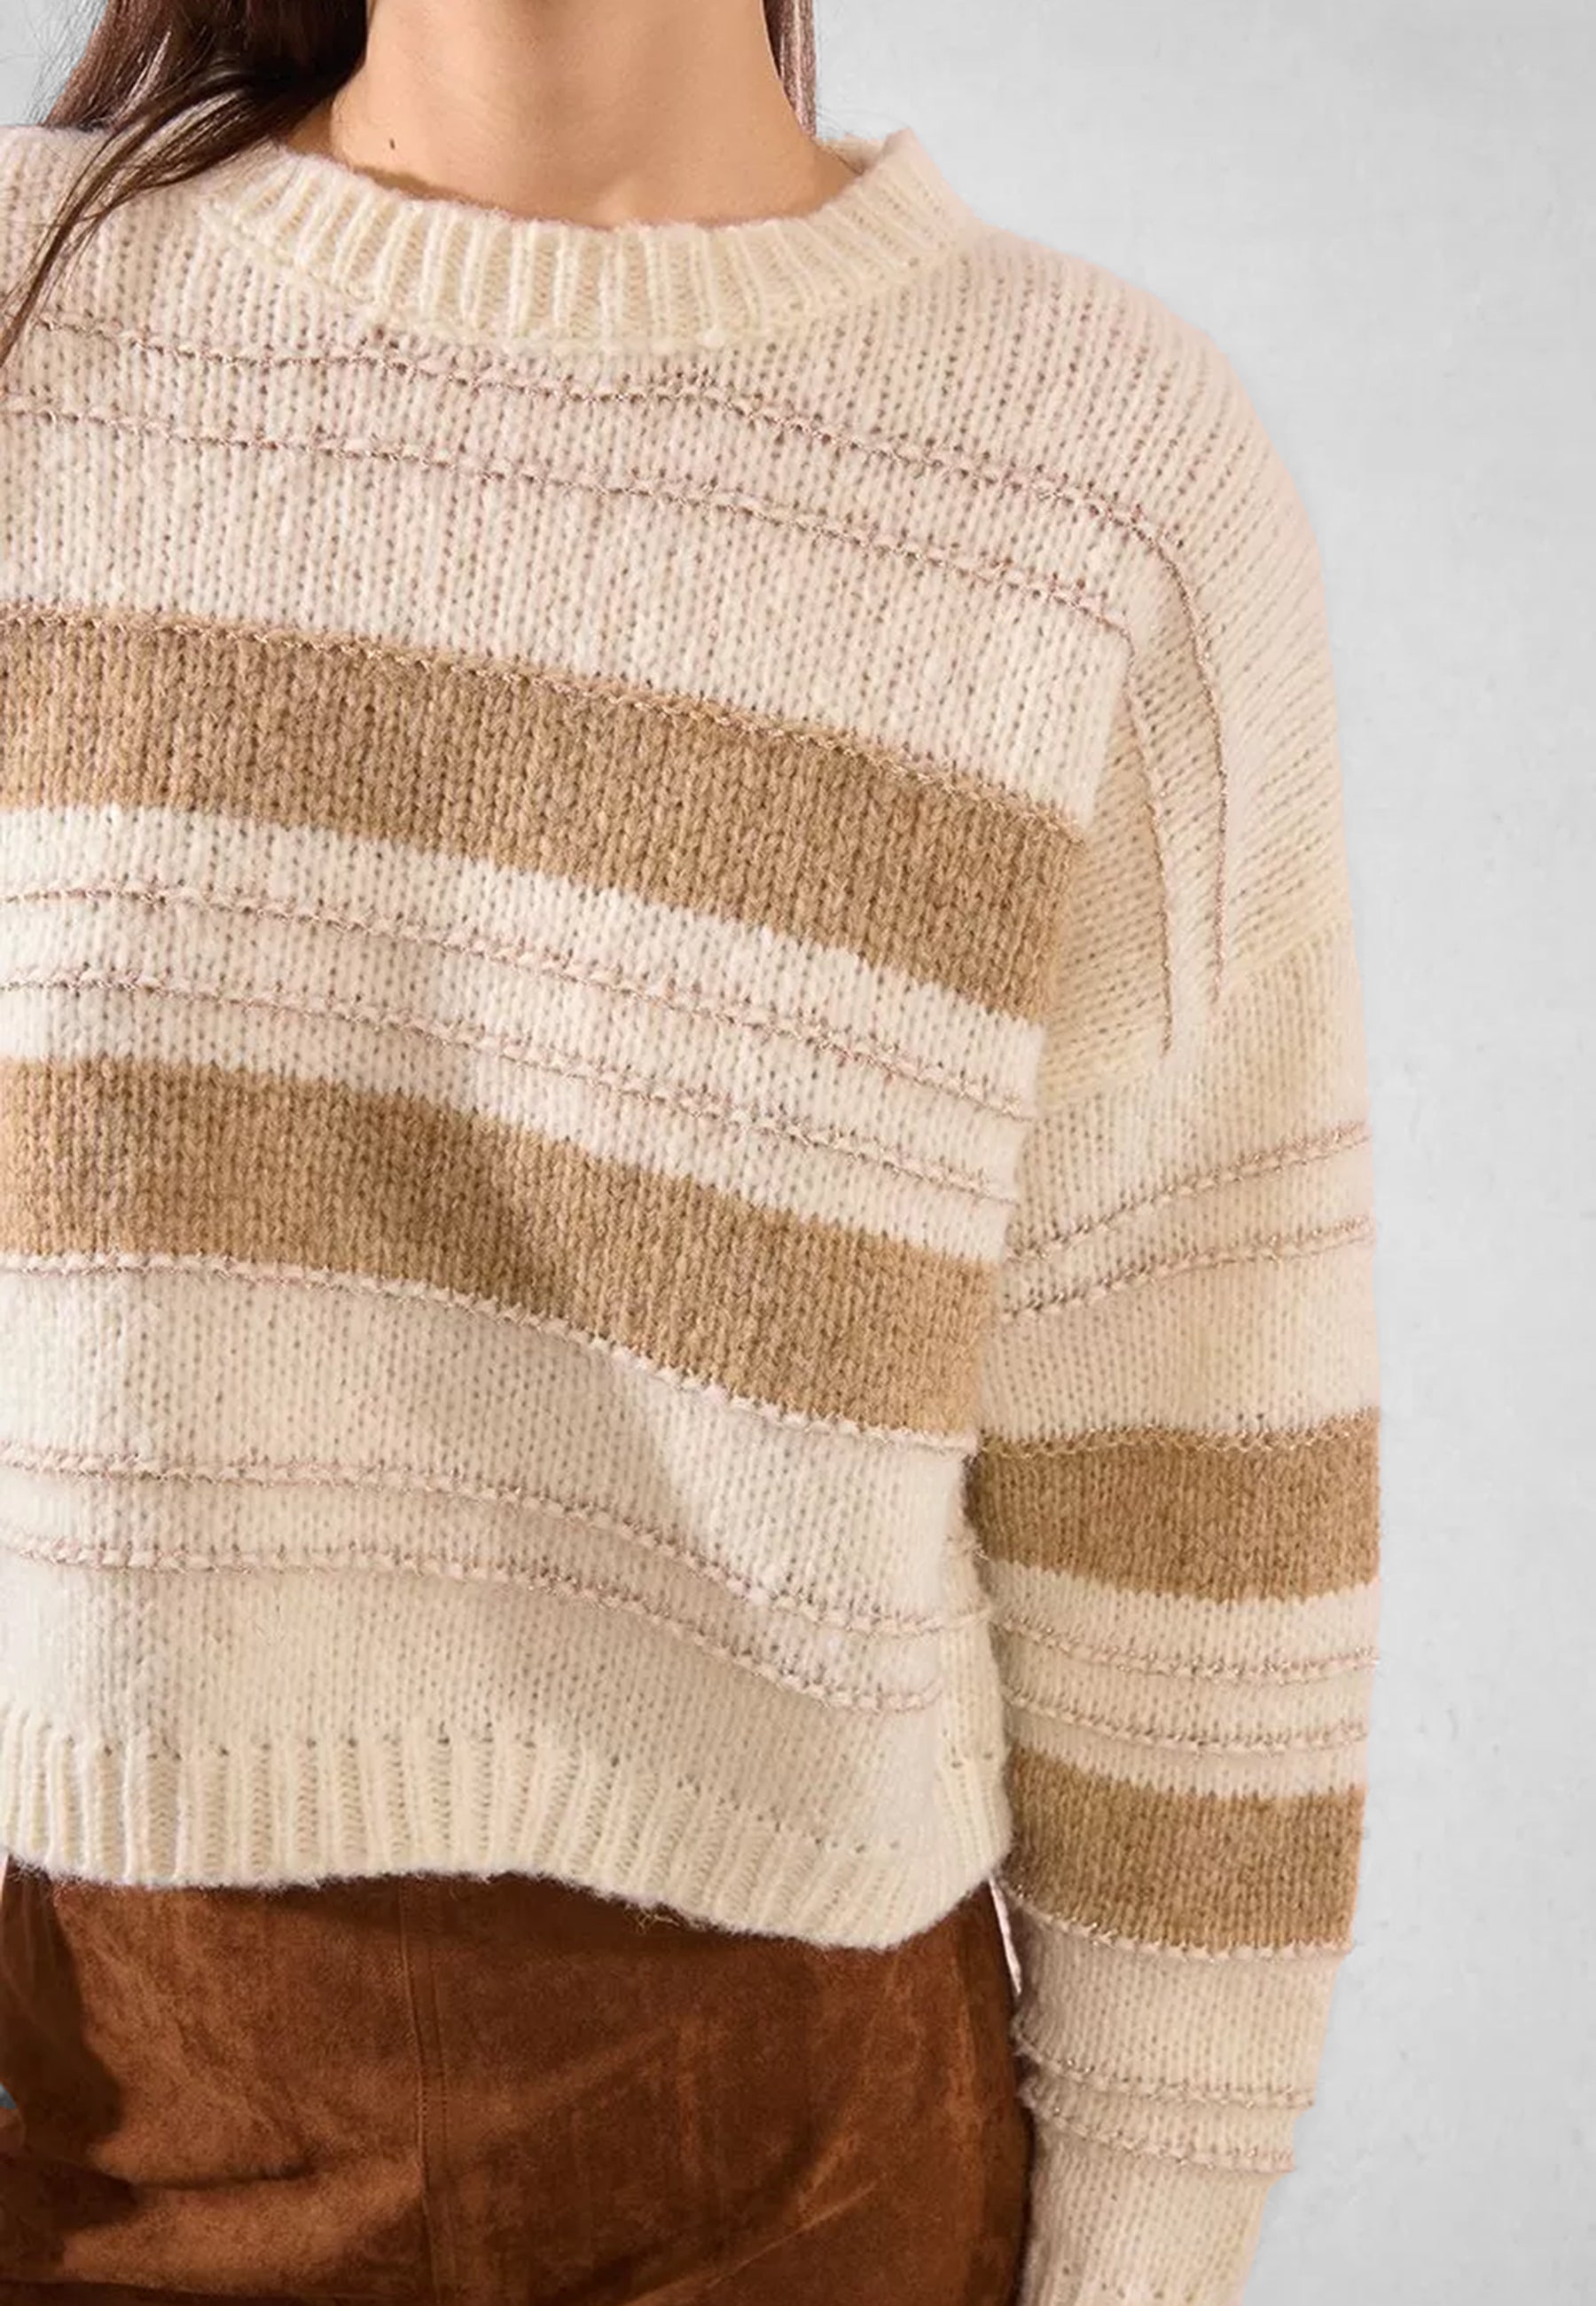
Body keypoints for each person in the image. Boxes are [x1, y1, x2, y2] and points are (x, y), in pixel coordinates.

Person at [0, 2, 1382, 2301]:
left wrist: (1156, 2231)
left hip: (805, 2165)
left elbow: (1195, 1458)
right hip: (102, 2115)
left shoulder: (1097, 475)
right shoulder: (42, 332)